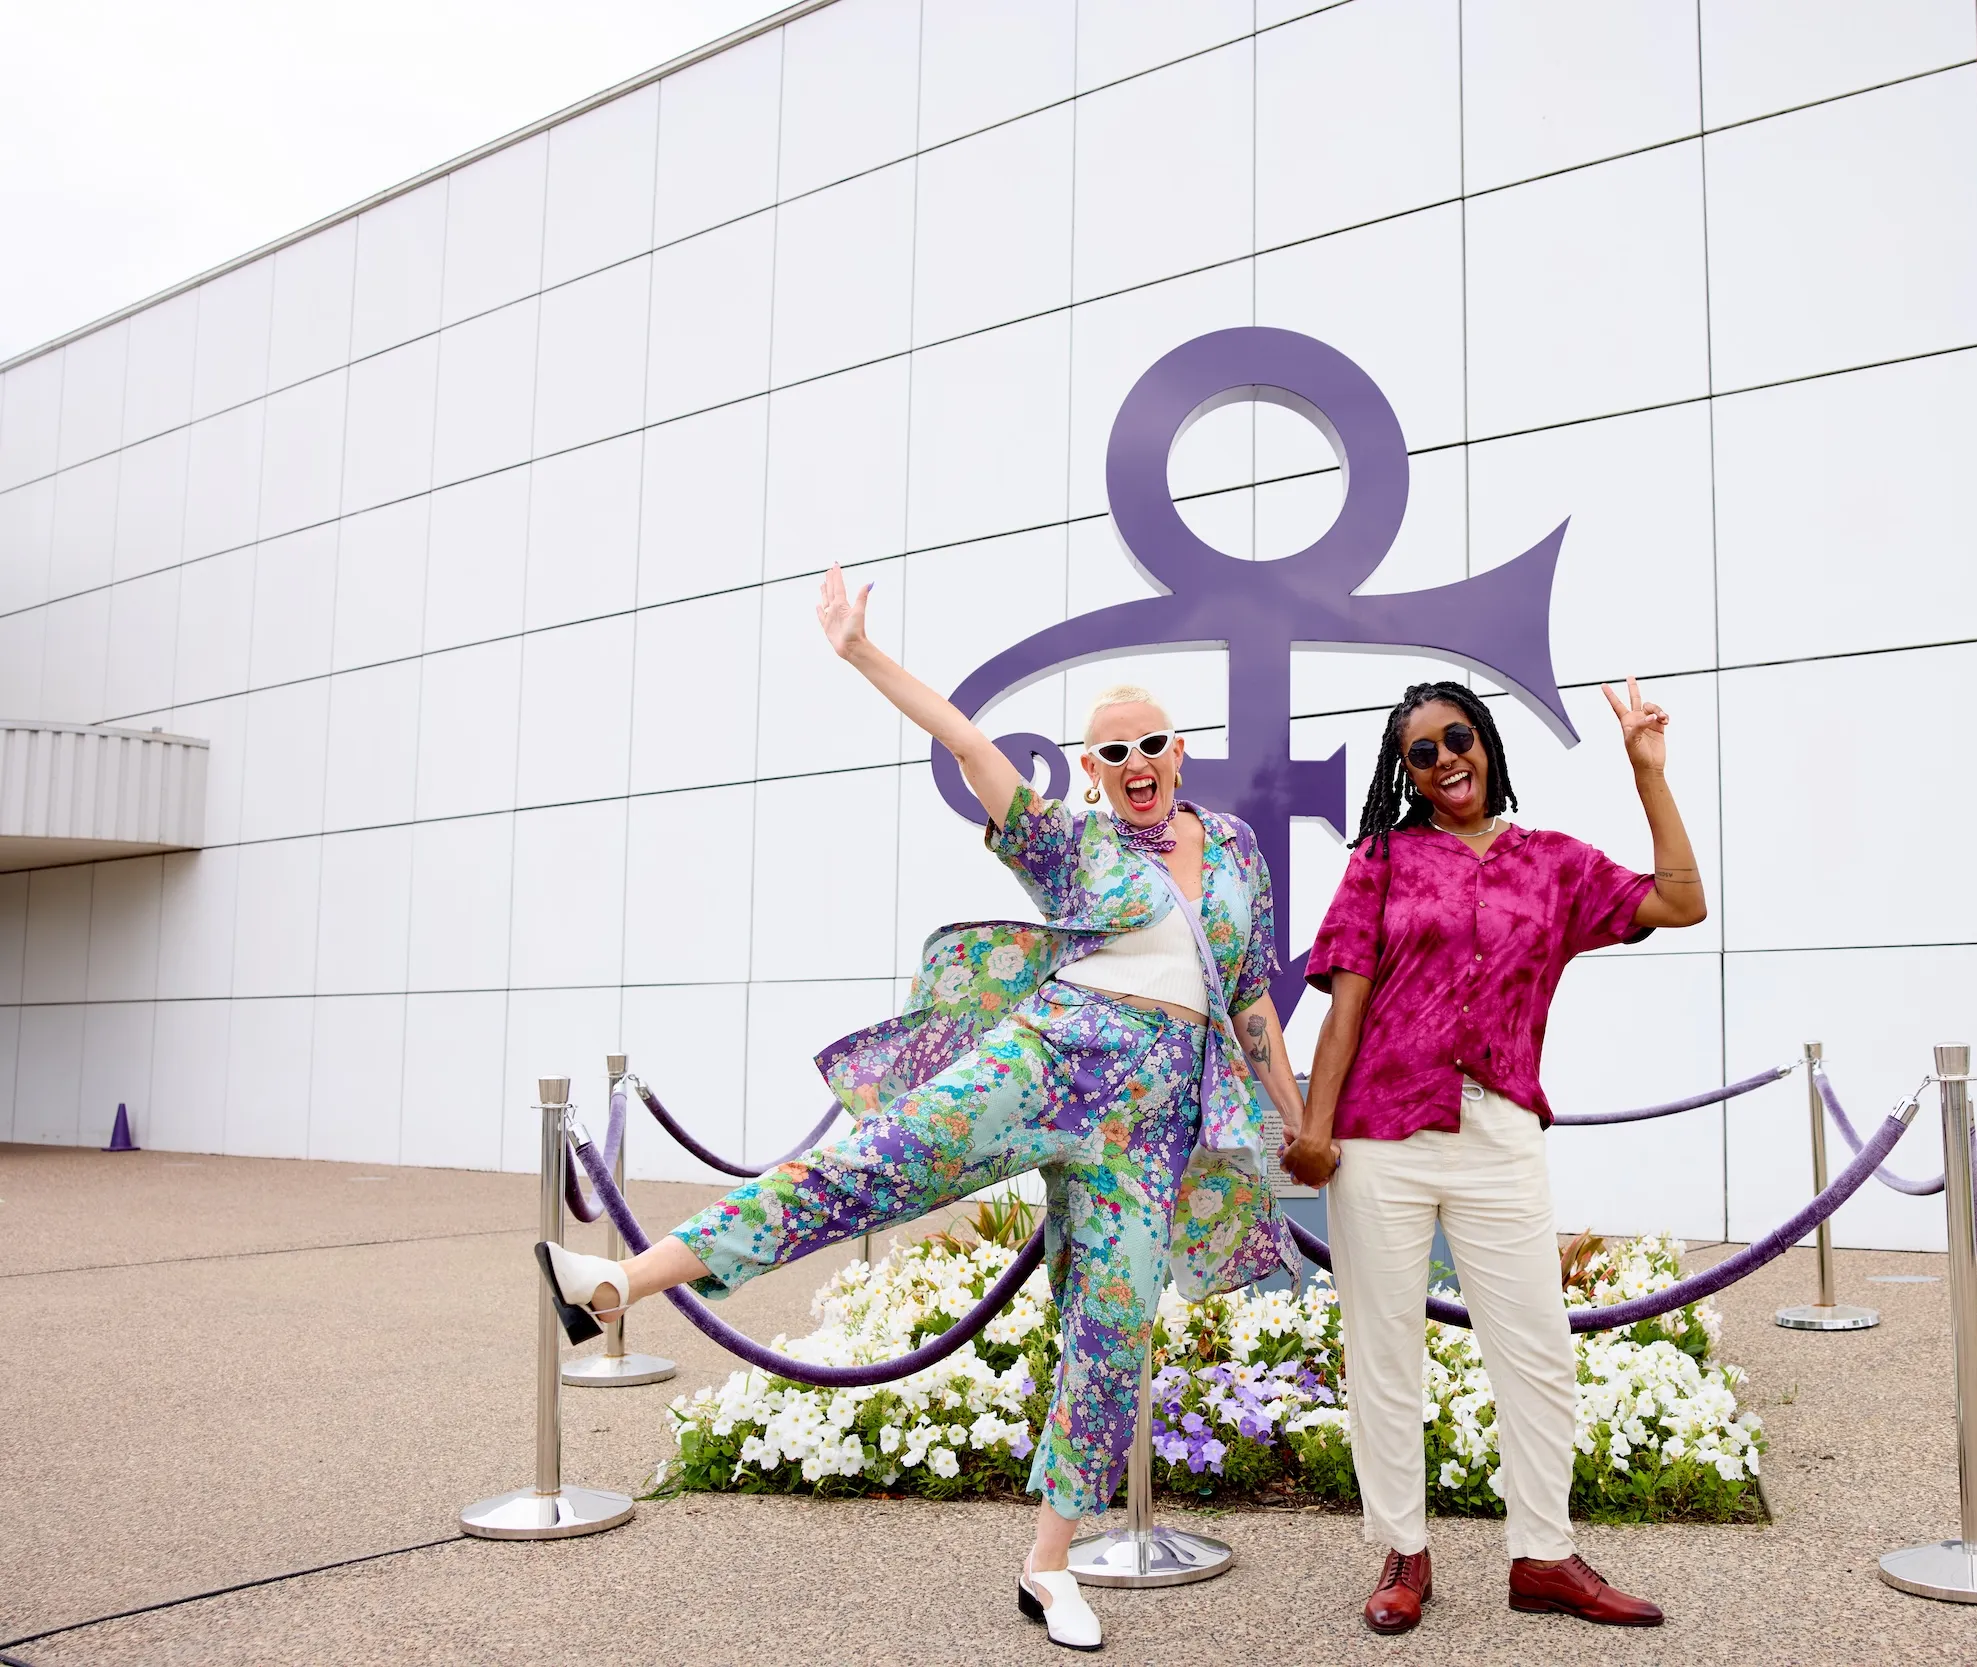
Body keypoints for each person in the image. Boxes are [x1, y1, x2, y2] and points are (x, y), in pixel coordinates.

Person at [535, 563, 1301, 1653]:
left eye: (1153, 744)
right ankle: (619, 1281)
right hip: (1052, 1057)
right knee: (866, 1170)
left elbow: (1248, 997)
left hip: (1153, 1115)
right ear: (1092, 769)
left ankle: (1049, 1567)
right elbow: (971, 745)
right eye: (1113, 751)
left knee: (1114, 1328)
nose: (1136, 763)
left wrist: (1295, 1118)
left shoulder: (1231, 851)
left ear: (1182, 750)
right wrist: (859, 652)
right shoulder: (1069, 843)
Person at [1283, 677, 1707, 1636]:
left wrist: (1648, 774)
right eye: (1420, 753)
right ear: (1408, 775)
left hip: (1499, 1130)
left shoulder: (1554, 862)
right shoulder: (1382, 860)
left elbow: (1683, 903)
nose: (1444, 761)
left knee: (1538, 1349)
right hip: (1380, 1137)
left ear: (1485, 742)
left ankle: (1544, 1555)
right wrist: (1315, 1124)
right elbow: (1346, 995)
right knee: (1384, 1351)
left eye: (1456, 737)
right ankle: (1404, 1552)